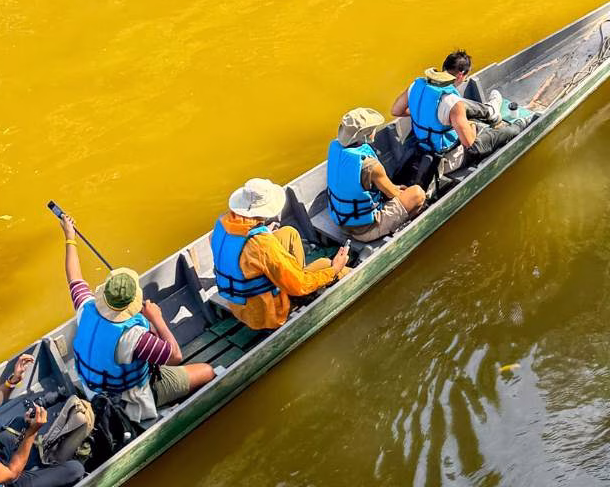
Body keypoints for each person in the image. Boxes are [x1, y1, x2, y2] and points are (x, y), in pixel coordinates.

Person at [56, 211, 214, 424]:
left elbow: (74, 277)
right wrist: (156, 318)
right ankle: (172, 410)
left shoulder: (86, 308)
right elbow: (175, 356)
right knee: (208, 371)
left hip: (92, 390)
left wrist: (70, 236)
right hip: (129, 400)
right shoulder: (135, 337)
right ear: (131, 304)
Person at [210, 178, 349, 332]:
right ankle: (301, 292)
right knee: (326, 264)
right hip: (267, 314)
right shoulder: (262, 245)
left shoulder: (222, 223)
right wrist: (334, 269)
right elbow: (299, 284)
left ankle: (295, 279)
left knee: (288, 233)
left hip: (239, 304)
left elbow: (238, 250)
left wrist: (263, 231)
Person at [391, 49, 530, 173]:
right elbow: (469, 143)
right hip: (444, 159)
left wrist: (420, 114)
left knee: (460, 110)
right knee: (498, 136)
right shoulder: (452, 101)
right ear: (460, 75)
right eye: (466, 77)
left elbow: (396, 111)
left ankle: (490, 111)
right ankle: (521, 123)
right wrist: (471, 126)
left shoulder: (415, 85)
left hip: (420, 147)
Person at [327, 108, 427, 240]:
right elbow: (392, 194)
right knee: (417, 194)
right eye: (373, 128)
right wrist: (402, 190)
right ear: (365, 134)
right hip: (364, 230)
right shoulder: (371, 166)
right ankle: (400, 227)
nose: (375, 130)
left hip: (340, 221)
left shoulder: (336, 148)